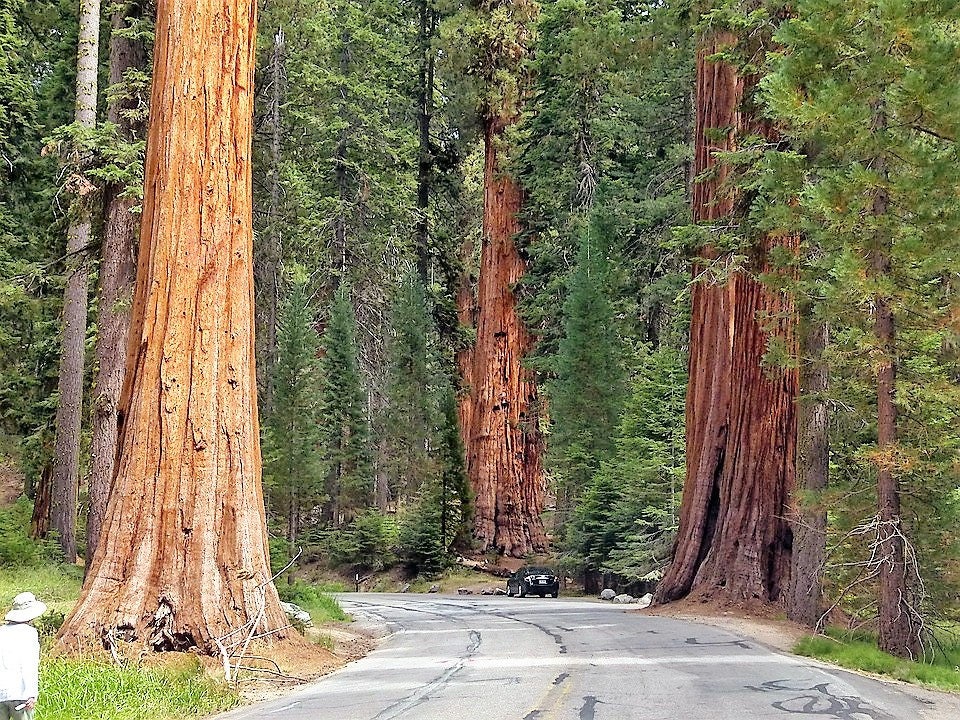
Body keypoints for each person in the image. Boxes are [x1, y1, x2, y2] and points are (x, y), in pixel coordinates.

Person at [0, 592, 45, 720]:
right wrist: (31, 694)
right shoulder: (29, 633)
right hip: (20, 694)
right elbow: (29, 664)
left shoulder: (1, 632)